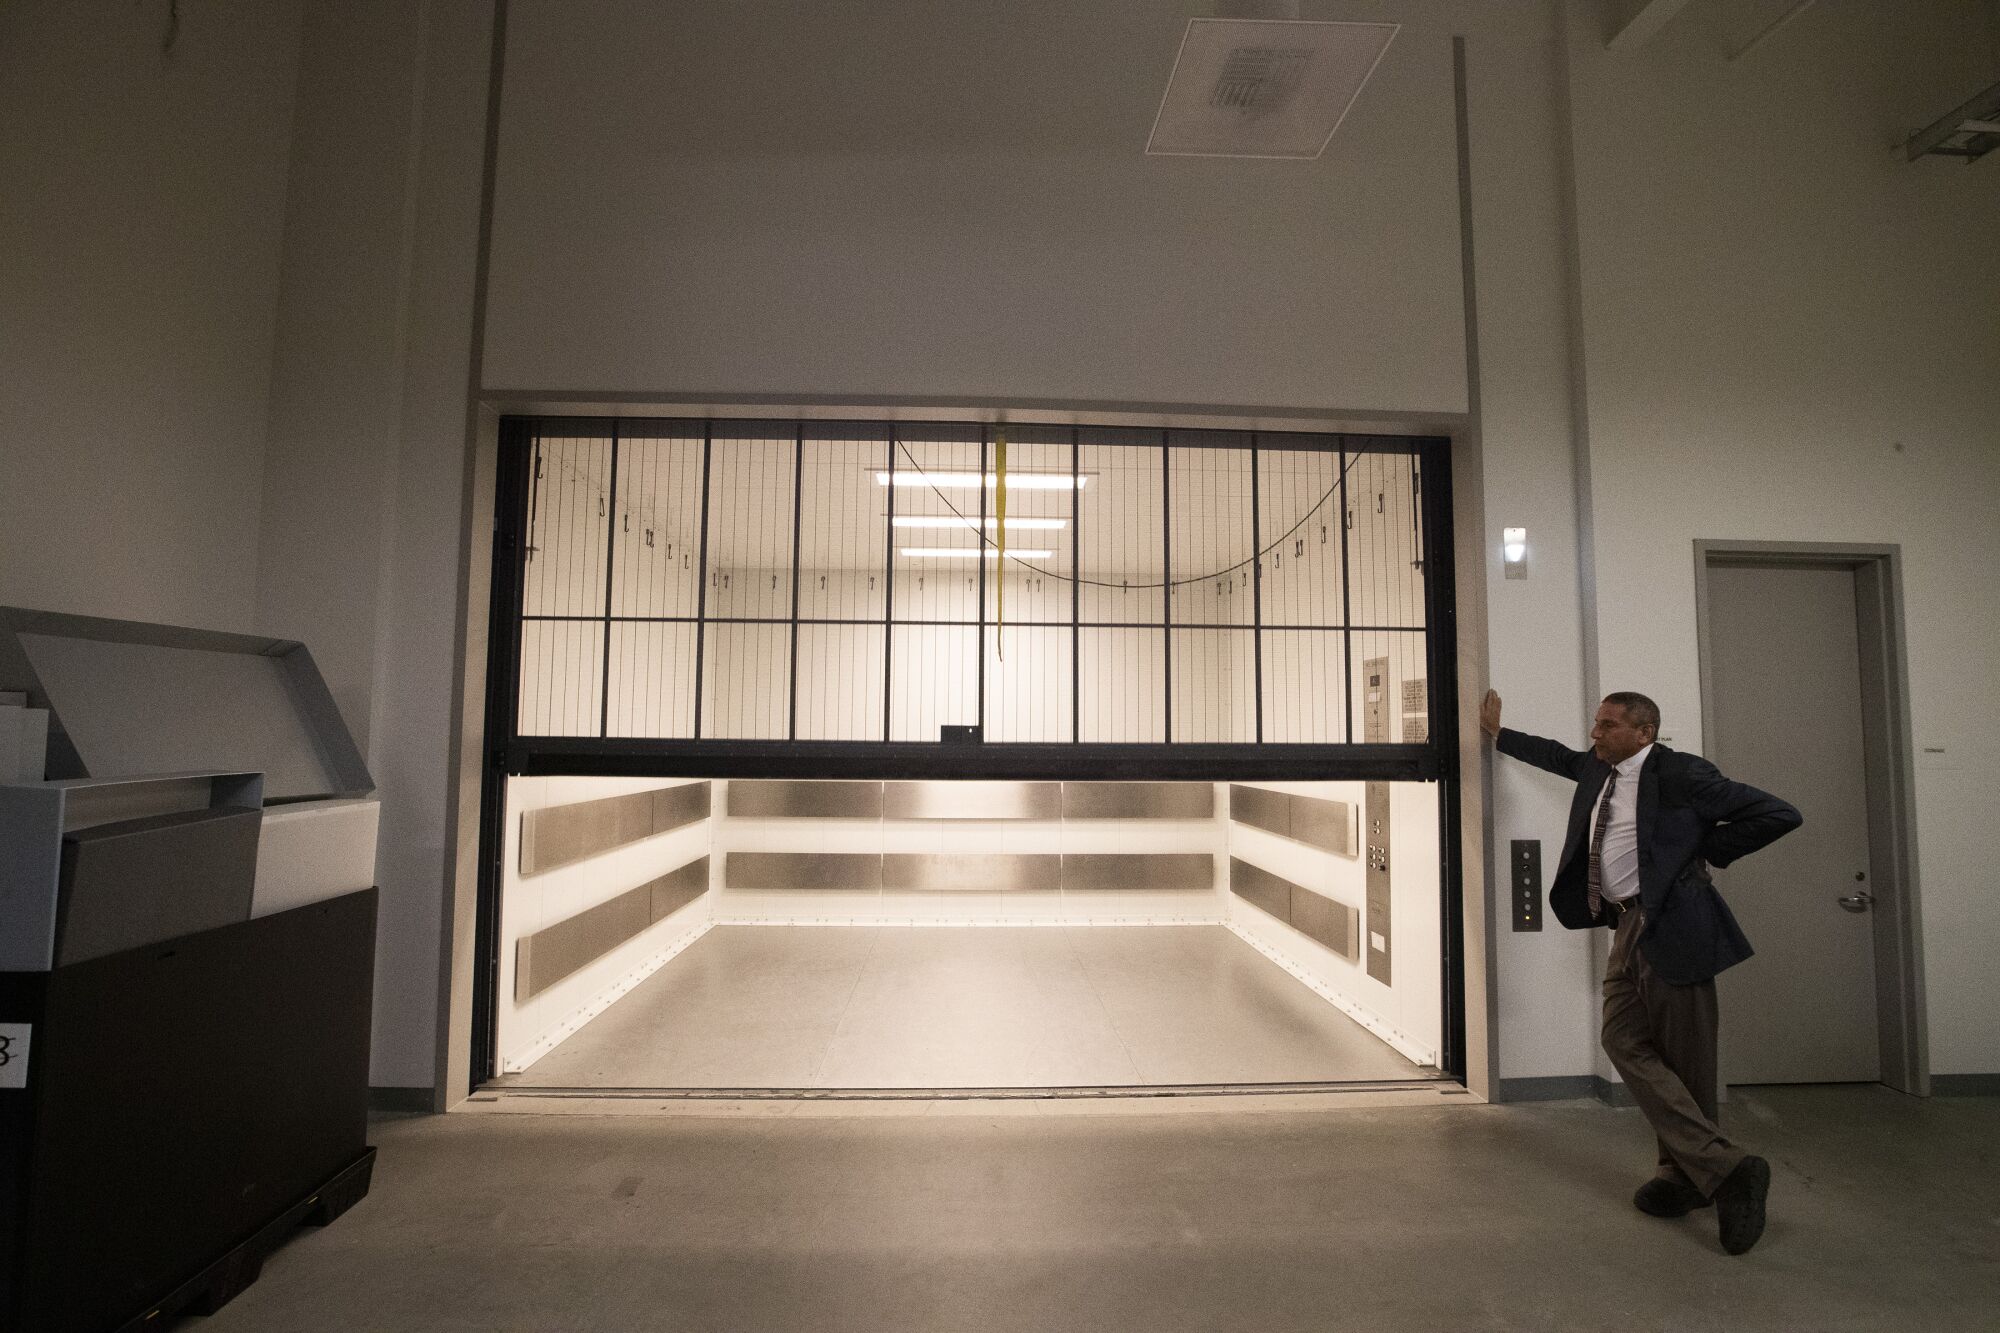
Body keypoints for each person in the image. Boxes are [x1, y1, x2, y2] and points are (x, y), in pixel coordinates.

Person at [1482, 687, 1802, 1255]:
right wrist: (1498, 735)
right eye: (1597, 723)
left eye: (1607, 725)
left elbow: (1777, 813)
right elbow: (1554, 755)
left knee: (1687, 1060)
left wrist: (1705, 848)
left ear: (1643, 732)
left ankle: (1692, 1178)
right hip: (1625, 926)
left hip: (1672, 923)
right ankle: (1720, 1168)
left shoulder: (1681, 774)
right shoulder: (1597, 770)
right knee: (1622, 1038)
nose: (1595, 733)